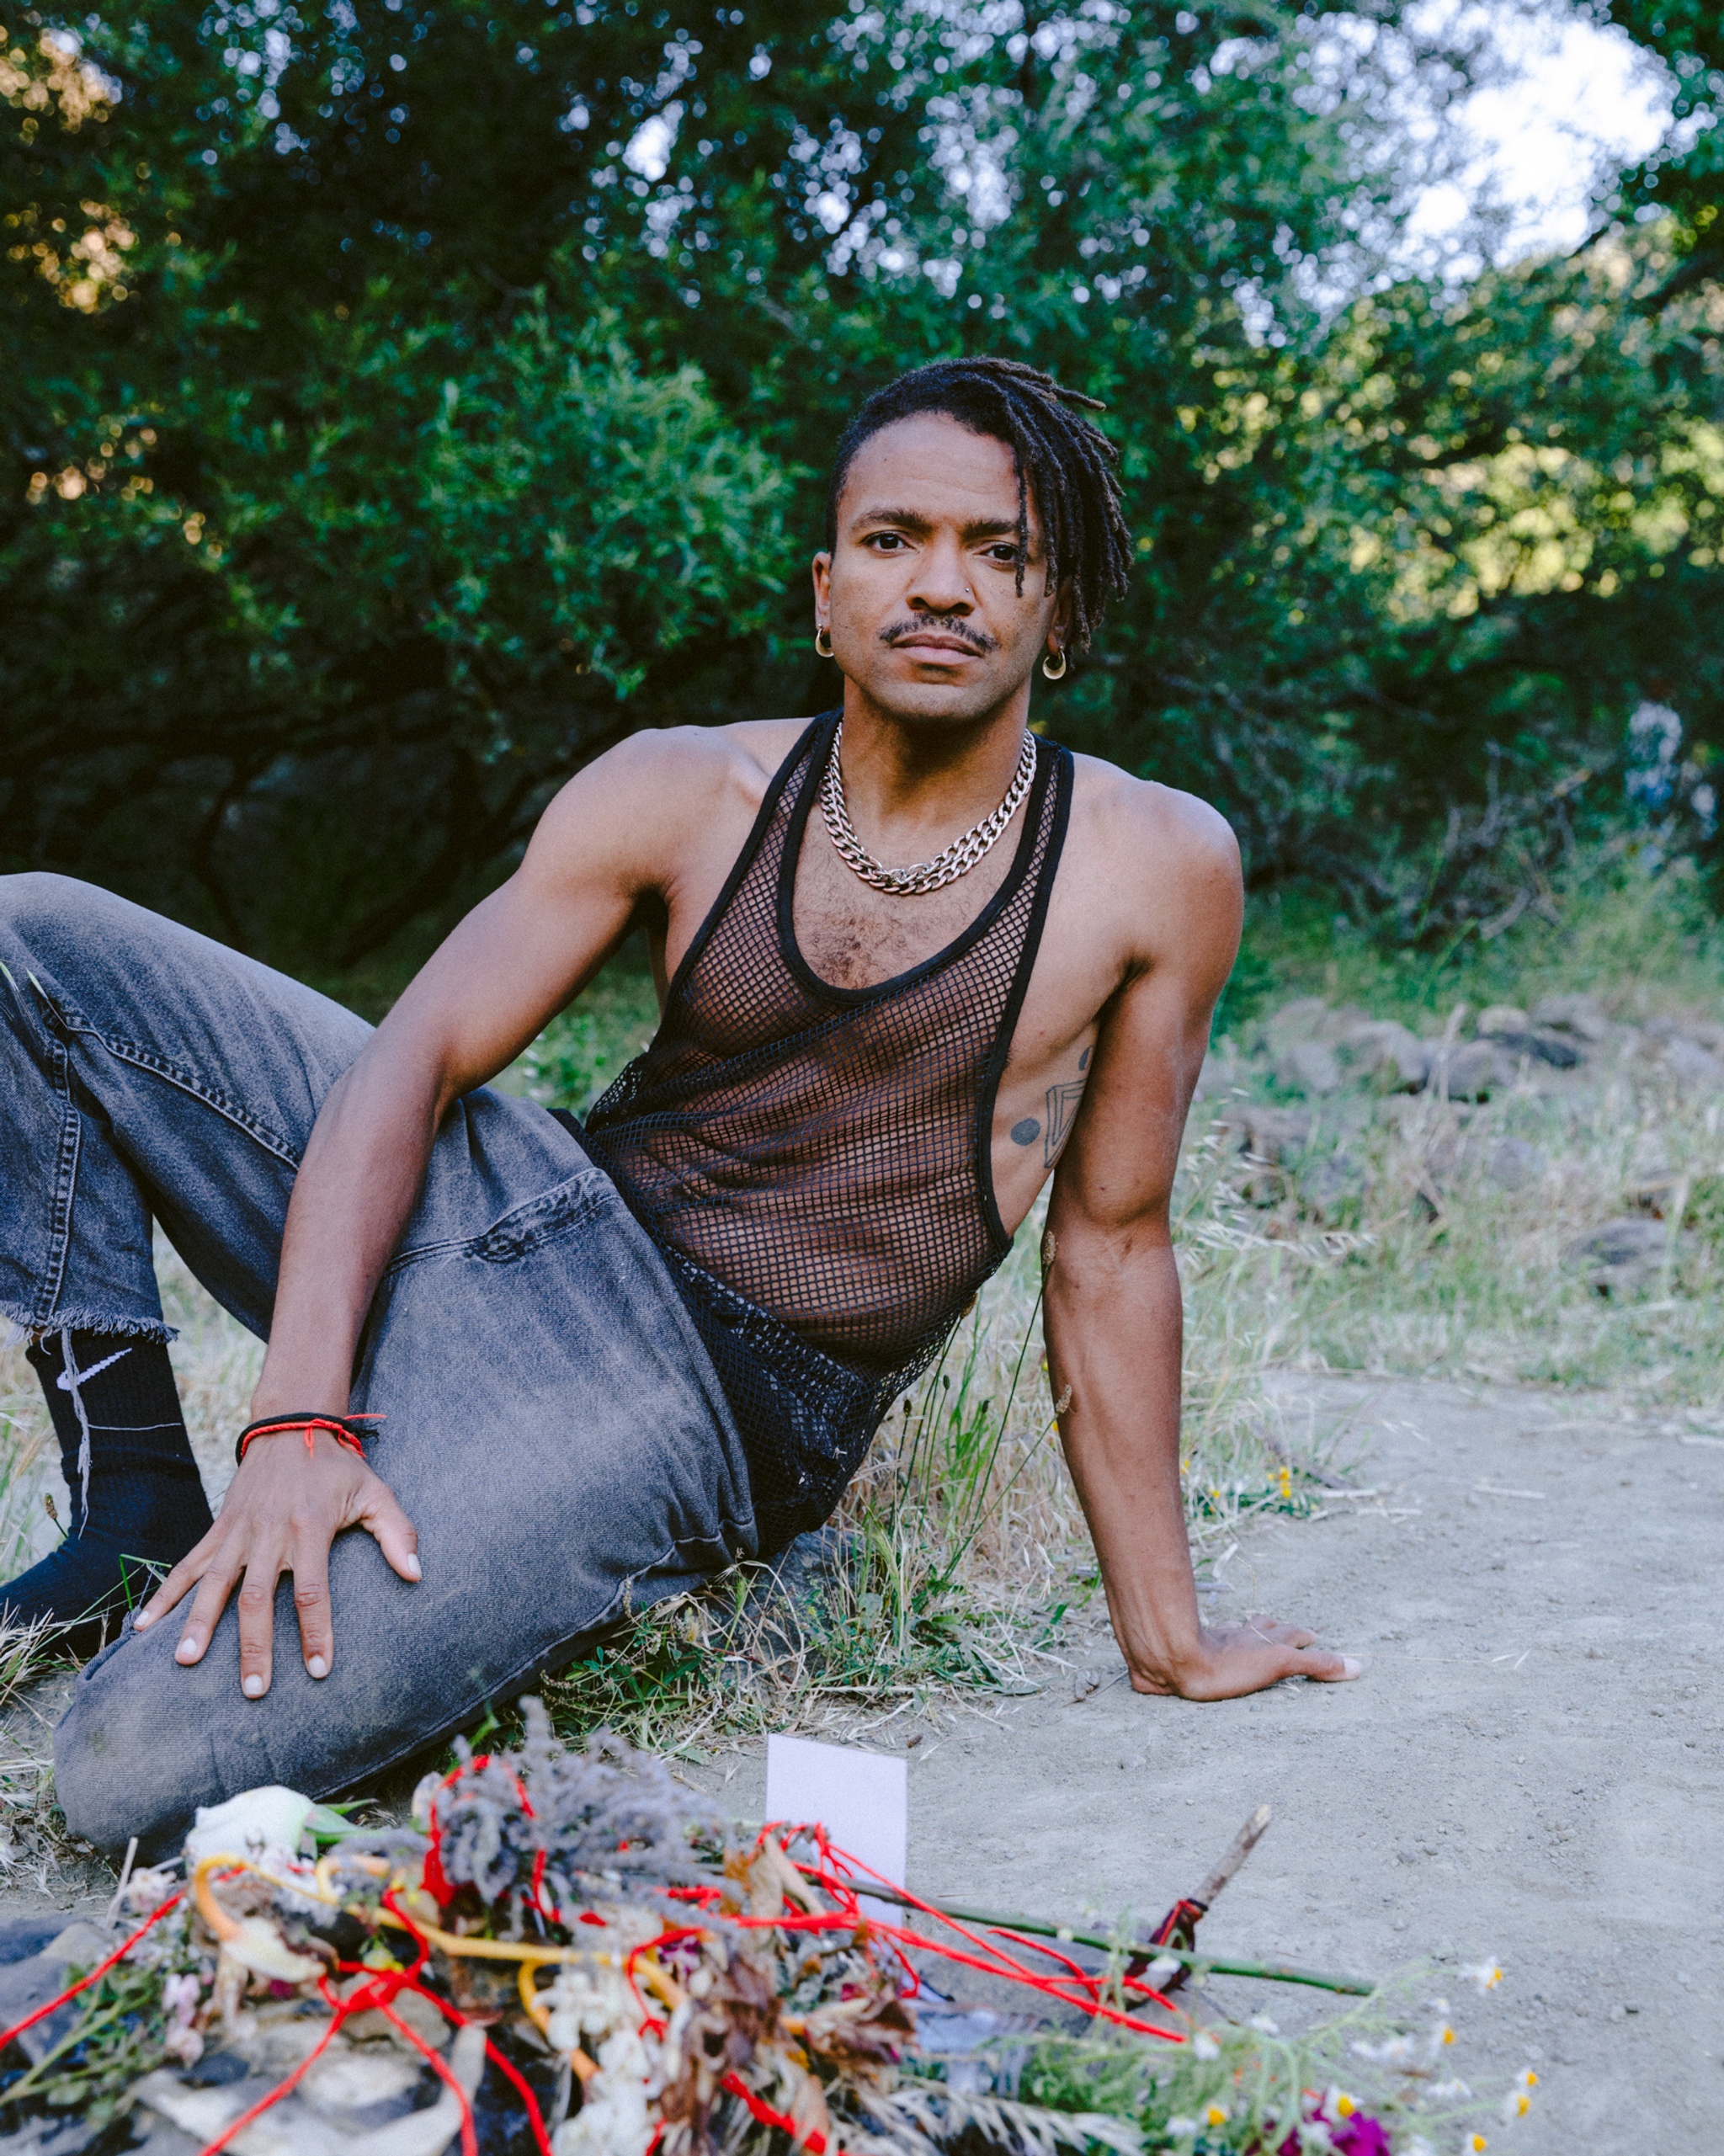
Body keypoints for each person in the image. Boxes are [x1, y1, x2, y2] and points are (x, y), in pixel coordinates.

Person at [0, 357, 1358, 1854]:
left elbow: (1110, 1244)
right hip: (515, 1204)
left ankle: (321, 1539)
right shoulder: (680, 791)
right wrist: (298, 1424)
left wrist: (1165, 1633)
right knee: (31, 935)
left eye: (1002, 550)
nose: (945, 586)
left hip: (680, 1405)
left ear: (1057, 608)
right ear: (825, 590)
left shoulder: (1152, 864)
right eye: (898, 539)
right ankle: (133, 1498)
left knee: (119, 1771)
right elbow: (413, 1061)